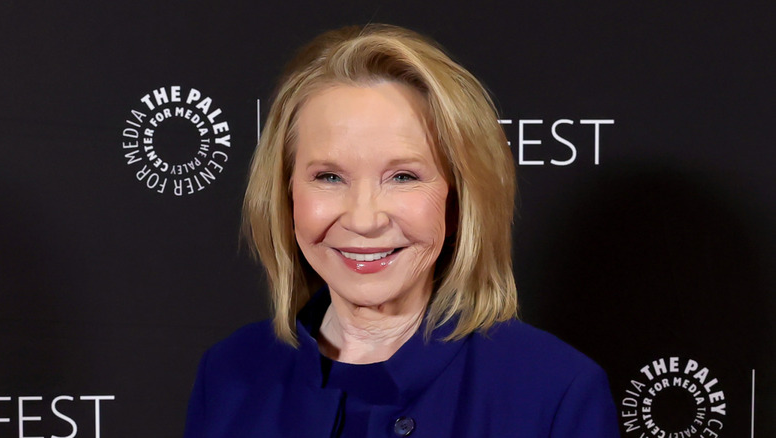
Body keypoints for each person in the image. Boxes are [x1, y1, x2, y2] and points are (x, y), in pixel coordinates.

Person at [184, 24, 620, 437]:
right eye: (329, 177)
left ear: (459, 199)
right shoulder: (229, 374)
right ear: (285, 194)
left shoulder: (554, 391)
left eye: (404, 177)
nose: (363, 219)